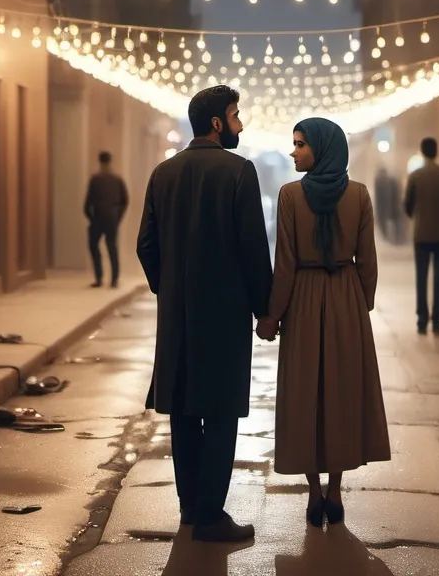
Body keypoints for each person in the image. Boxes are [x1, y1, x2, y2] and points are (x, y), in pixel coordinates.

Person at [136, 86, 274, 543]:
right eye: (235, 116)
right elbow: (254, 249)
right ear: (216, 123)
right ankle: (211, 515)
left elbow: (146, 247)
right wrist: (264, 310)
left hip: (177, 317)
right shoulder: (239, 172)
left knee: (182, 408)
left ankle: (191, 508)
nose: (240, 124)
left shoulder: (163, 173)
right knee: (218, 413)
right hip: (225, 314)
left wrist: (170, 288)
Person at [261, 117, 390, 528]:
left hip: (303, 296)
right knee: (342, 392)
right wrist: (359, 303)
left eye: (300, 144)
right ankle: (335, 490)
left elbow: (284, 265)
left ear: (321, 148)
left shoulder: (289, 196)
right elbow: (367, 261)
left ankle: (314, 491)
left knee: (305, 394)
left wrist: (272, 315)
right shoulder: (359, 195)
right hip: (345, 297)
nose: (293, 151)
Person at [403, 138, 439, 334]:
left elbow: (407, 204)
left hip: (421, 233)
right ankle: (437, 319)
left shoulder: (415, 176)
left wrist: (417, 217)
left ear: (422, 152)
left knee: (422, 276)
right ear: (436, 151)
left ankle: (422, 318)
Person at [83, 151, 129, 288]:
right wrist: (118, 217)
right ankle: (114, 279)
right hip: (112, 218)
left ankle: (99, 277)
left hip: (97, 218)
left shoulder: (95, 179)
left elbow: (87, 203)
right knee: (112, 247)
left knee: (94, 246)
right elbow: (125, 201)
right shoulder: (117, 179)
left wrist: (91, 218)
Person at [373, 167, 400, 244]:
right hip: (390, 205)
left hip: (383, 206)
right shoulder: (390, 180)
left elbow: (378, 196)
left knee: (384, 222)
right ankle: (392, 238)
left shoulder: (379, 180)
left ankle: (387, 237)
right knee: (391, 222)